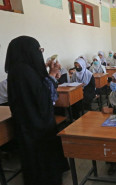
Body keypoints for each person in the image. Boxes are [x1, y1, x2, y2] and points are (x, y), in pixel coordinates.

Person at [5, 36, 69, 185]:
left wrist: (49, 74)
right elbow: (43, 98)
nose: (39, 53)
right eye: (38, 50)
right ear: (27, 52)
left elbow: (38, 91)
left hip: (30, 124)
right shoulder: (23, 72)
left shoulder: (20, 70)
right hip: (35, 127)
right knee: (42, 164)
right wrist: (52, 75)